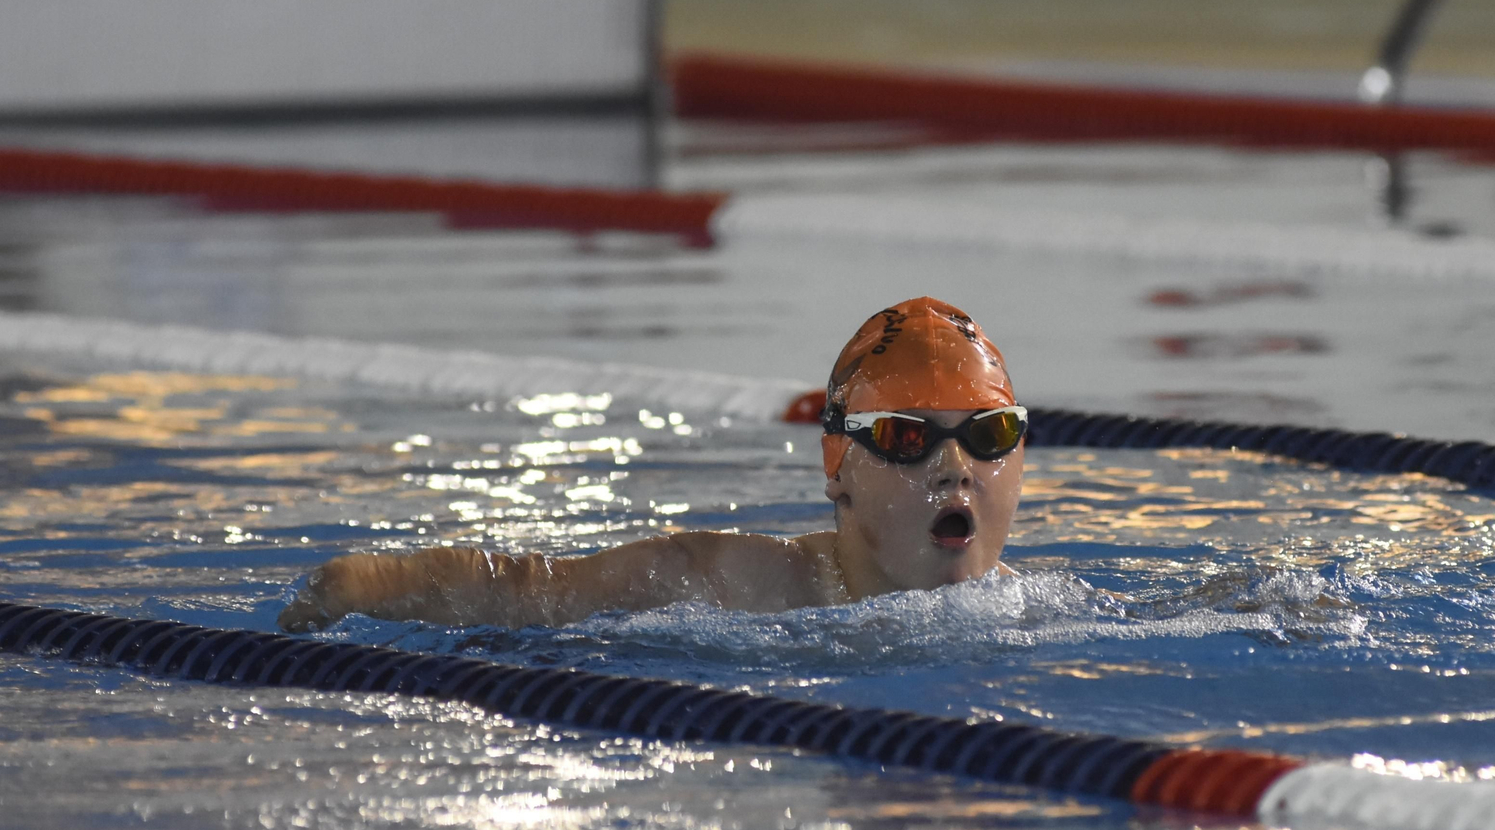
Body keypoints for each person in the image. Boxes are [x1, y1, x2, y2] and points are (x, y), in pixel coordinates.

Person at [276, 297, 1026, 632]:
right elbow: (532, 594)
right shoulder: (732, 584)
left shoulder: (1047, 618)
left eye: (988, 434)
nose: (954, 466)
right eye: (906, 438)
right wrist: (361, 584)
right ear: (838, 466)